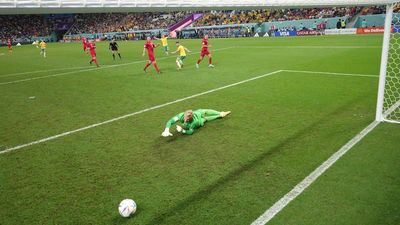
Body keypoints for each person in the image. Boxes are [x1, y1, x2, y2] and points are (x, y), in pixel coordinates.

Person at [161, 109, 231, 137]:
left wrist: (182, 130)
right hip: (197, 112)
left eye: (188, 119)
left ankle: (220, 114)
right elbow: (170, 121)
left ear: (191, 118)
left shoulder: (194, 122)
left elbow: (190, 132)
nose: (186, 120)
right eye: (186, 118)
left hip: (198, 119)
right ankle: (221, 113)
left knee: (205, 119)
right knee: (205, 111)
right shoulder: (180, 115)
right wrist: (166, 130)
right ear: (184, 114)